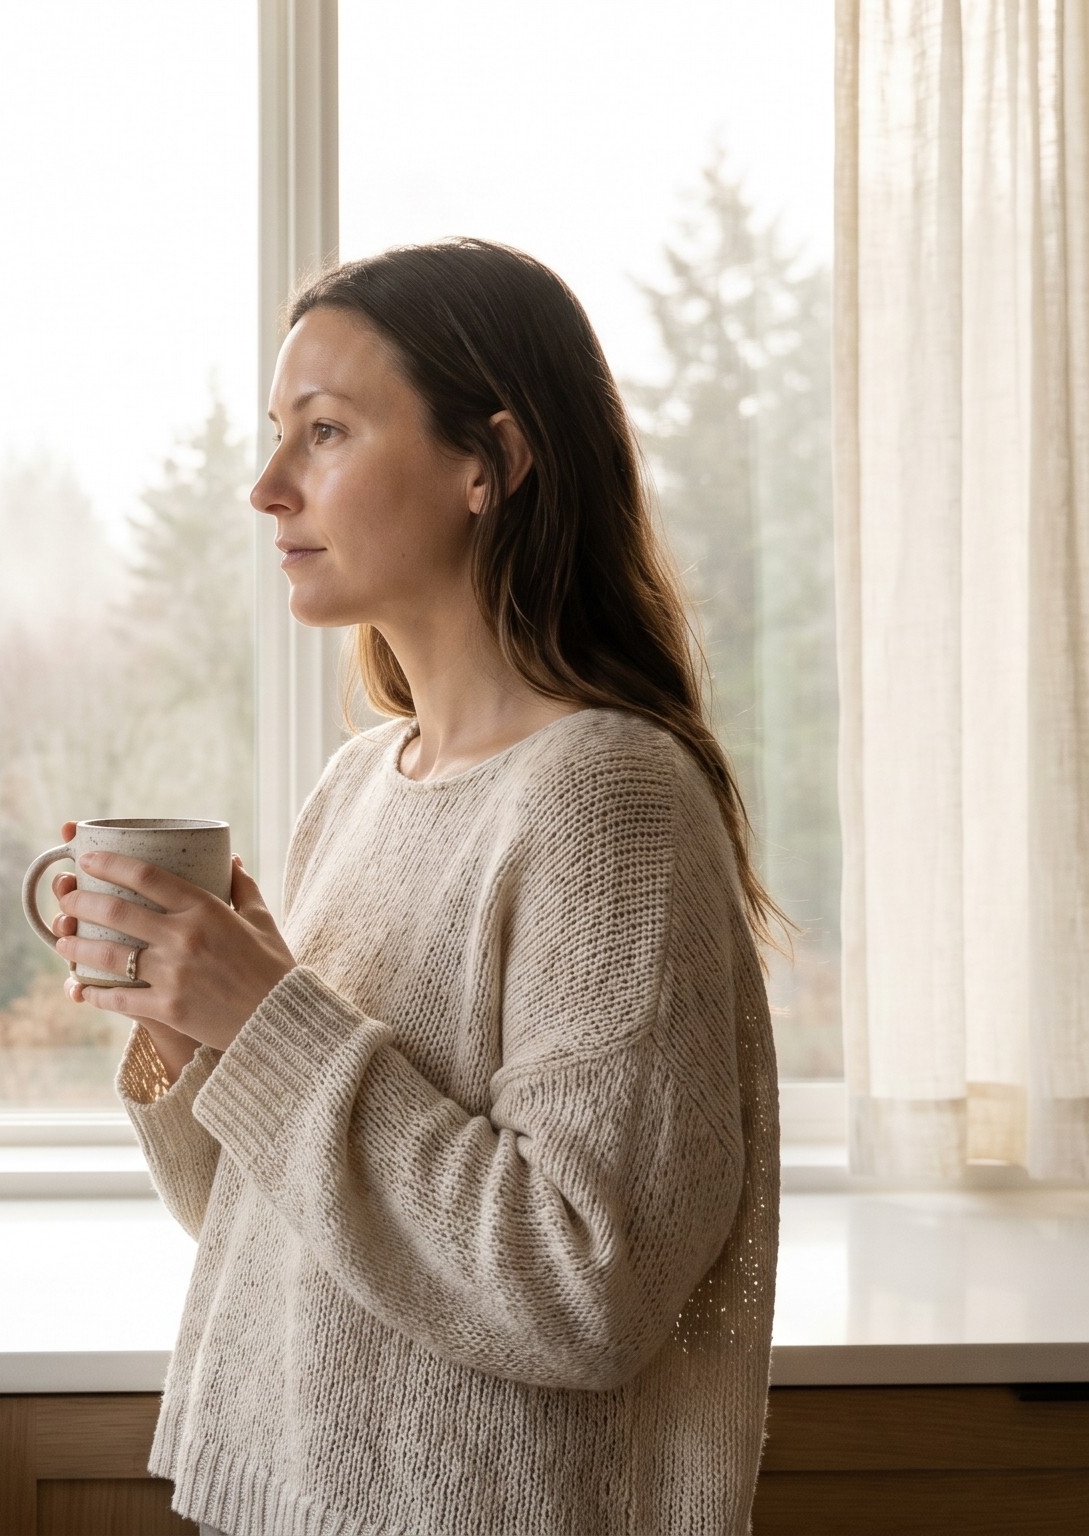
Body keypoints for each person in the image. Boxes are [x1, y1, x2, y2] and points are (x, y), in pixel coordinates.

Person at [48, 238, 780, 1535]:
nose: (267, 488)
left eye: (323, 433)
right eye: (274, 436)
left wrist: (269, 1021)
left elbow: (584, 1286)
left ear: (487, 463)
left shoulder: (608, 798)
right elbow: (265, 1219)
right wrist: (187, 1031)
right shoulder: (360, 785)